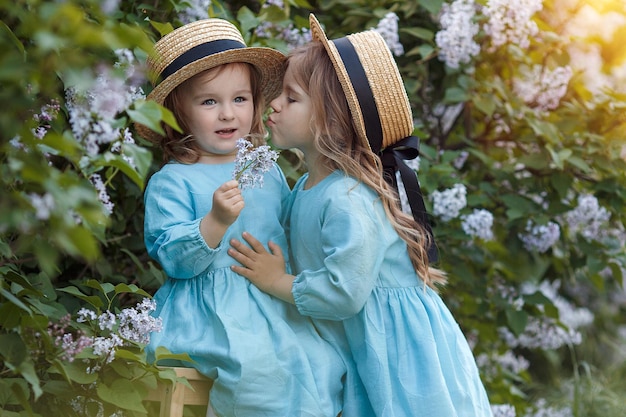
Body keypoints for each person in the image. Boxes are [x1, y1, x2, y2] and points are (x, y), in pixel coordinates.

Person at [228, 14, 494, 417]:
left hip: (397, 353)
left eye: (292, 97)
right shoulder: (306, 187)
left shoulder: (348, 198)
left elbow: (344, 292)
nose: (275, 105)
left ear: (332, 120)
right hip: (358, 339)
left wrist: (277, 280)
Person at [135, 18, 344, 417]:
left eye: (240, 99)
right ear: (178, 114)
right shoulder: (173, 181)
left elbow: (288, 231)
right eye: (209, 102)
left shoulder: (267, 171)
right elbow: (175, 261)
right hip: (209, 313)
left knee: (325, 363)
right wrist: (214, 220)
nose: (228, 114)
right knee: (257, 376)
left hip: (272, 301)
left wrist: (286, 266)